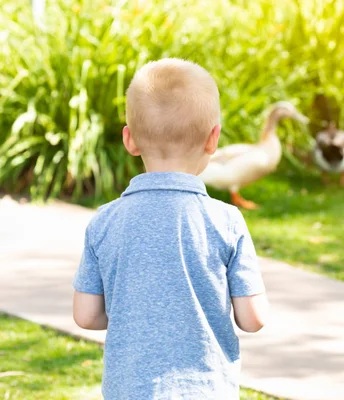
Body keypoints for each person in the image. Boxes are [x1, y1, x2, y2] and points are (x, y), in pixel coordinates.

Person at [72, 58, 269, 399]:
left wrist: (138, 314)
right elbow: (253, 319)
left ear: (130, 140)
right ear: (213, 140)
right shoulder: (226, 221)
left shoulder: (104, 221)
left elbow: (86, 315)